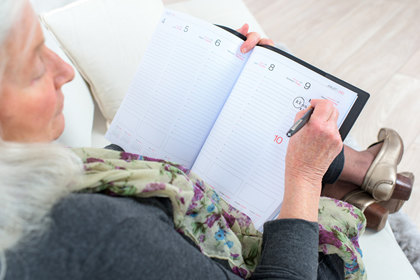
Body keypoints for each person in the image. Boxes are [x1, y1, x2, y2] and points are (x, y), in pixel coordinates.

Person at [0, 0, 412, 279]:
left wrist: (226, 80)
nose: (63, 71)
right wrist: (304, 176)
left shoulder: (26, 183)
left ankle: (354, 174)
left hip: (189, 208)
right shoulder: (105, 232)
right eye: (35, 68)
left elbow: (113, 175)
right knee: (307, 155)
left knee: (271, 83)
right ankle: (353, 182)